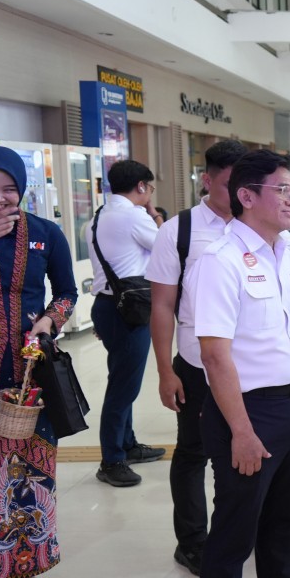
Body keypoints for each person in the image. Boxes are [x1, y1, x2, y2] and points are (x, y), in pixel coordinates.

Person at [146, 139, 290, 576]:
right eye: (282, 190)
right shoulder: (219, 261)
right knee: (234, 535)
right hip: (250, 412)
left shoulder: (282, 254)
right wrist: (241, 431)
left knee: (283, 526)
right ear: (247, 196)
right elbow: (215, 356)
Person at [0, 146, 77, 578]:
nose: (0, 199)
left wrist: (48, 321)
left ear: (22, 190)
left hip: (28, 380)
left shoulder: (46, 233)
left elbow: (67, 293)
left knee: (31, 473)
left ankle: (26, 567)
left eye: (9, 189)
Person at [87, 159, 167, 488]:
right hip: (128, 309)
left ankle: (127, 444)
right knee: (124, 386)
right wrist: (156, 216)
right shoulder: (133, 215)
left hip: (109, 306)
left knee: (122, 377)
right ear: (141, 187)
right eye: (149, 188)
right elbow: (167, 248)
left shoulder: (102, 214)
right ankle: (112, 460)